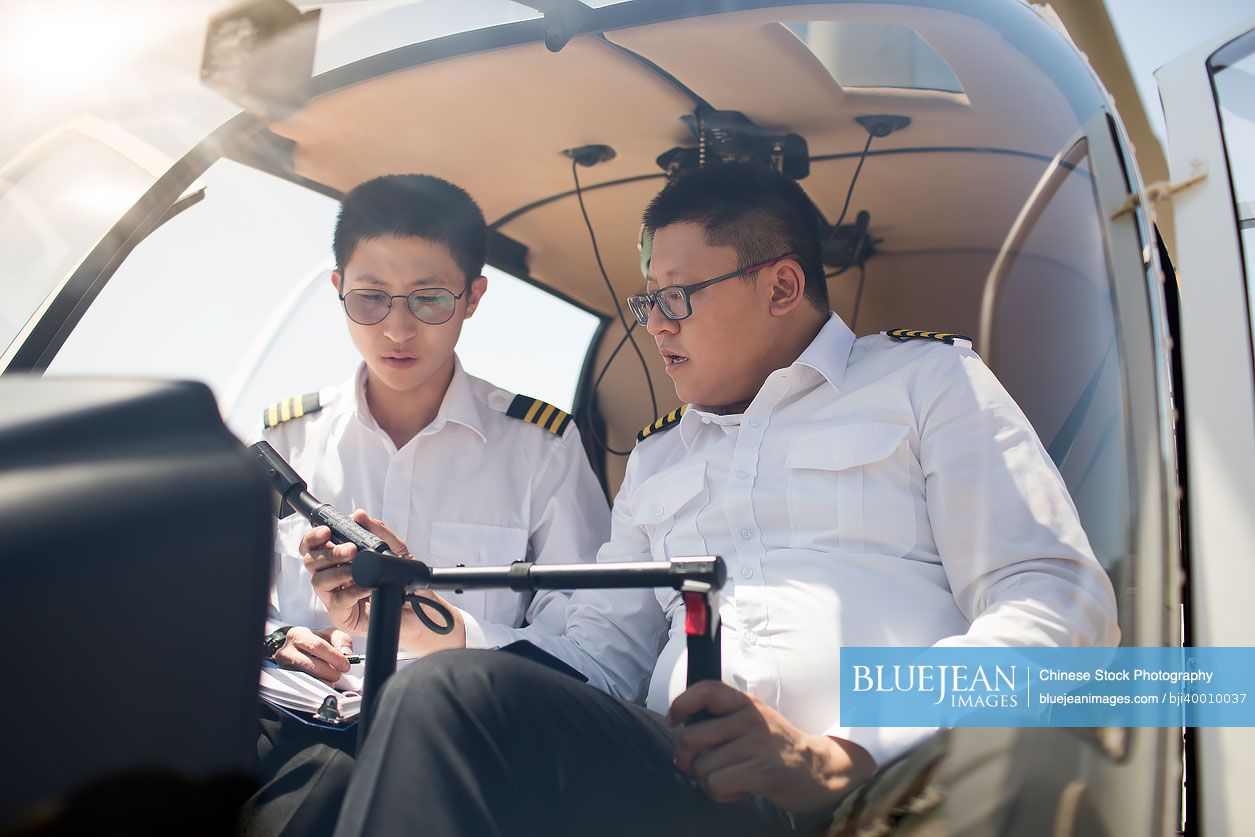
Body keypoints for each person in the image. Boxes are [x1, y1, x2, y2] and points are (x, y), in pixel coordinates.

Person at [317, 163, 1119, 836]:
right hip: (681, 790)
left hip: (892, 788)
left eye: (676, 296)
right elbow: (596, 660)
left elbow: (1055, 605)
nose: (654, 326)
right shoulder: (660, 453)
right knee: (430, 695)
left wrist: (844, 748)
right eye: (646, 300)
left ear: (779, 285)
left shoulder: (925, 383)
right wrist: (421, 609)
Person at [243, 173, 609, 835]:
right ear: (337, 291)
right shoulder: (286, 437)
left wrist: (437, 626)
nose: (398, 327)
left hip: (450, 734)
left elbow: (587, 655)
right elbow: (230, 599)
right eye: (370, 299)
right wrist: (275, 636)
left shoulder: (542, 448)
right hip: (283, 715)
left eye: (429, 299)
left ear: (473, 297)